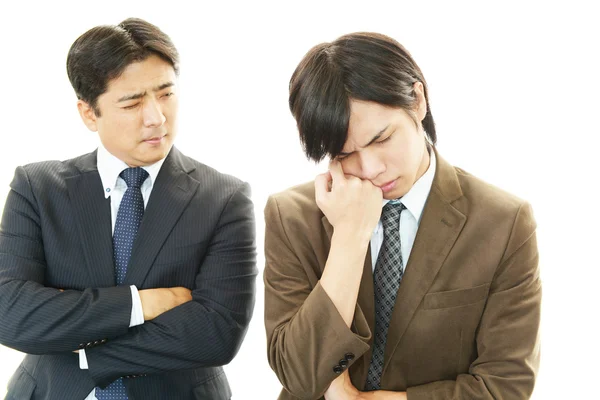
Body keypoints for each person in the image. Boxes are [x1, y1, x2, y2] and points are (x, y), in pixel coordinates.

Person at [264, 32, 541, 400]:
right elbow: (299, 377)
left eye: (382, 139)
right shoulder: (292, 217)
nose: (372, 168)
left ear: (418, 100)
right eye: (346, 154)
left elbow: (506, 386)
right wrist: (349, 238)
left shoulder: (504, 223)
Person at [0, 17, 256, 400]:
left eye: (166, 94)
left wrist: (85, 348)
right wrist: (143, 303)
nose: (156, 117)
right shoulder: (37, 189)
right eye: (133, 102)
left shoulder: (223, 198)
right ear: (89, 113)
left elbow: (217, 333)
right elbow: (11, 313)